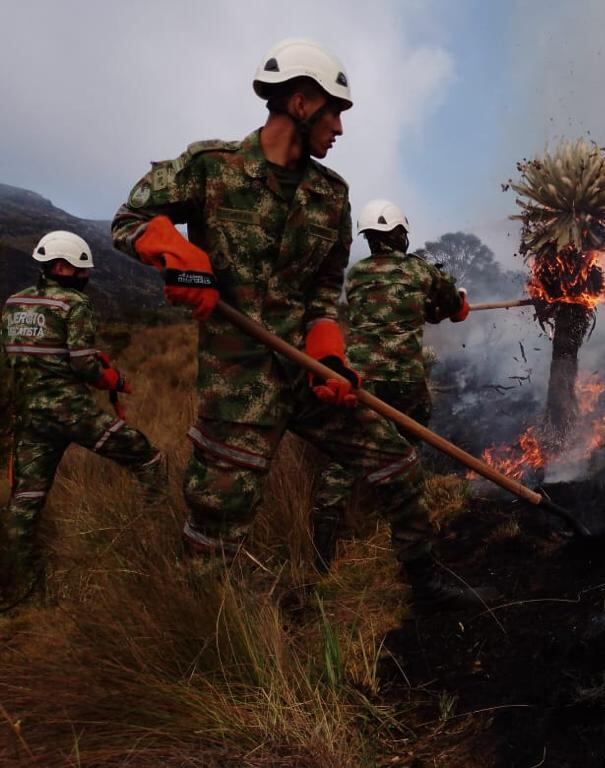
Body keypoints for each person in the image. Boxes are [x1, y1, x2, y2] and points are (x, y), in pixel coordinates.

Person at [110, 38, 488, 605]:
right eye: (335, 112)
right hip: (238, 386)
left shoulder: (331, 197)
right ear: (303, 102)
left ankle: (425, 583)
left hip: (305, 373)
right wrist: (177, 256)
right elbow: (130, 218)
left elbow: (322, 296)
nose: (340, 128)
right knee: (217, 519)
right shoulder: (211, 168)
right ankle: (206, 628)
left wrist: (330, 358)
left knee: (397, 461)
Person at [1, 231, 166, 608]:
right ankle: (156, 535)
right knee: (148, 458)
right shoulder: (74, 304)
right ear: (64, 266)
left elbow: (10, 361)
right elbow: (84, 365)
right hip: (71, 412)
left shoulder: (14, 303)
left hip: (30, 416)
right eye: (80, 268)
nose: (83, 276)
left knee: (24, 504)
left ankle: (15, 596)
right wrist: (115, 380)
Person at [345, 198, 469, 434]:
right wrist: (459, 303)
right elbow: (454, 306)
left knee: (363, 442)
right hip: (403, 379)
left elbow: (382, 309)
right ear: (398, 234)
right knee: (408, 437)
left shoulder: (355, 273)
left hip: (360, 377)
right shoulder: (418, 269)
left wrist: (424, 310)